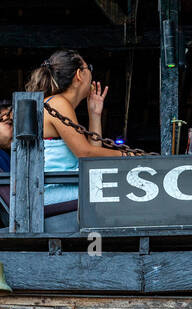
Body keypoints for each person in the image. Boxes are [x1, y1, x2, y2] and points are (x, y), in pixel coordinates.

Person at [25, 50, 126, 204]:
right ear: (79, 74)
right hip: (51, 192)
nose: (91, 73)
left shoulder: (56, 102)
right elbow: (85, 153)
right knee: (123, 188)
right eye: (88, 68)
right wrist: (126, 157)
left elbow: (90, 158)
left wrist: (94, 114)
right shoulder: (58, 103)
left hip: (62, 188)